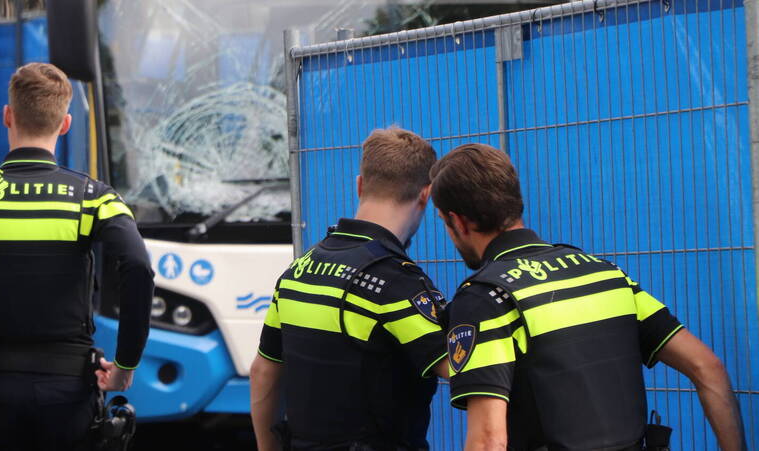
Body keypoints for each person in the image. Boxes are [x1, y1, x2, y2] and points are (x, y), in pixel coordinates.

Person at [0, 62, 154, 451]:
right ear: (65, 124)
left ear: (7, 116)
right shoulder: (93, 198)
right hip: (68, 400)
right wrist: (125, 365)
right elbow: (137, 266)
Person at [431, 143, 744, 451]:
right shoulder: (607, 274)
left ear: (458, 221)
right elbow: (708, 367)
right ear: (514, 200)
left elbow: (488, 441)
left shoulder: (485, 299)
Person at [250, 127, 450, 451]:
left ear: (359, 185)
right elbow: (462, 368)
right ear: (426, 195)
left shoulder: (297, 271)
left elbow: (263, 372)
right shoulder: (396, 282)